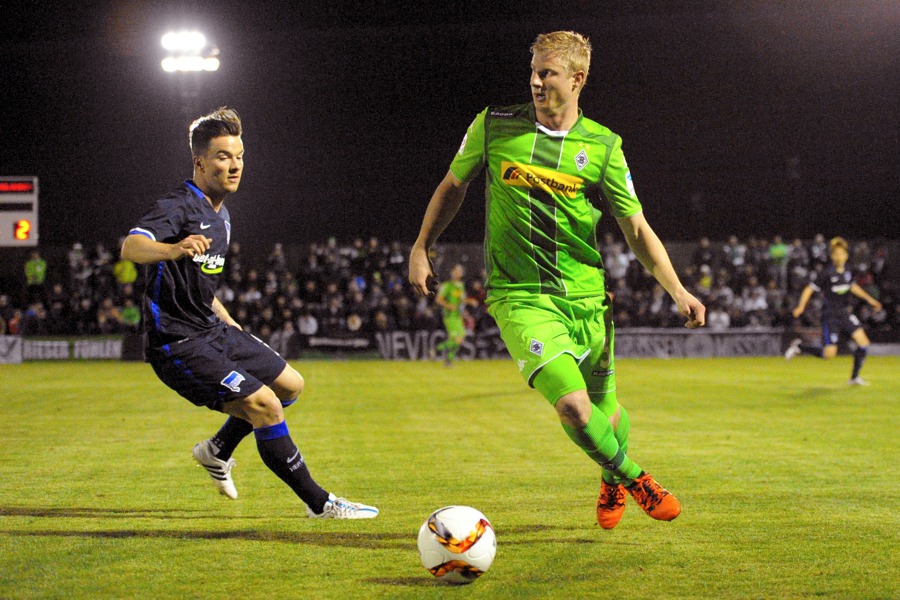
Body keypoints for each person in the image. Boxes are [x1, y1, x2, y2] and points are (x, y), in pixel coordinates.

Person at [409, 31, 705, 529]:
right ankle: (634, 478)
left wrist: (676, 288)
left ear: (577, 79)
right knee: (572, 404)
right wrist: (421, 246)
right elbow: (452, 186)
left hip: (589, 296)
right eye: (533, 71)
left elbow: (636, 227)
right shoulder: (495, 125)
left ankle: (610, 481)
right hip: (521, 297)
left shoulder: (604, 146)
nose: (535, 81)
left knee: (606, 410)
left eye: (547, 72)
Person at [121, 107, 376, 519]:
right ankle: (321, 504)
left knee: (291, 385)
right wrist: (172, 248)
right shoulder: (178, 205)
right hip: (176, 343)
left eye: (239, 155)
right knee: (265, 406)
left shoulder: (221, 217)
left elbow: (199, 286)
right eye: (223, 156)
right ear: (200, 162)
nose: (235, 164)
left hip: (211, 330)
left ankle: (216, 450)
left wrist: (228, 323)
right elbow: (131, 246)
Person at [786, 236, 882, 385]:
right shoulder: (826, 273)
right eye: (836, 254)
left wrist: (871, 300)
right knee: (829, 354)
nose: (839, 257)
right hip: (830, 316)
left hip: (844, 313)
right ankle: (800, 347)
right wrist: (801, 306)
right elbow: (809, 289)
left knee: (863, 343)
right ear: (832, 256)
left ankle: (854, 378)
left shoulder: (848, 271)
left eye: (842, 253)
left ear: (846, 255)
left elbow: (853, 287)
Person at [434, 264, 472, 365]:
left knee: (459, 338)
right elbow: (438, 299)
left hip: (457, 316)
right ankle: (436, 350)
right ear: (452, 273)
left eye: (458, 271)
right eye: (455, 271)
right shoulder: (447, 285)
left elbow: (462, 301)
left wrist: (469, 302)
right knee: (458, 339)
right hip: (449, 316)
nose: (456, 273)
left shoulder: (461, 286)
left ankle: (448, 361)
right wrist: (448, 305)